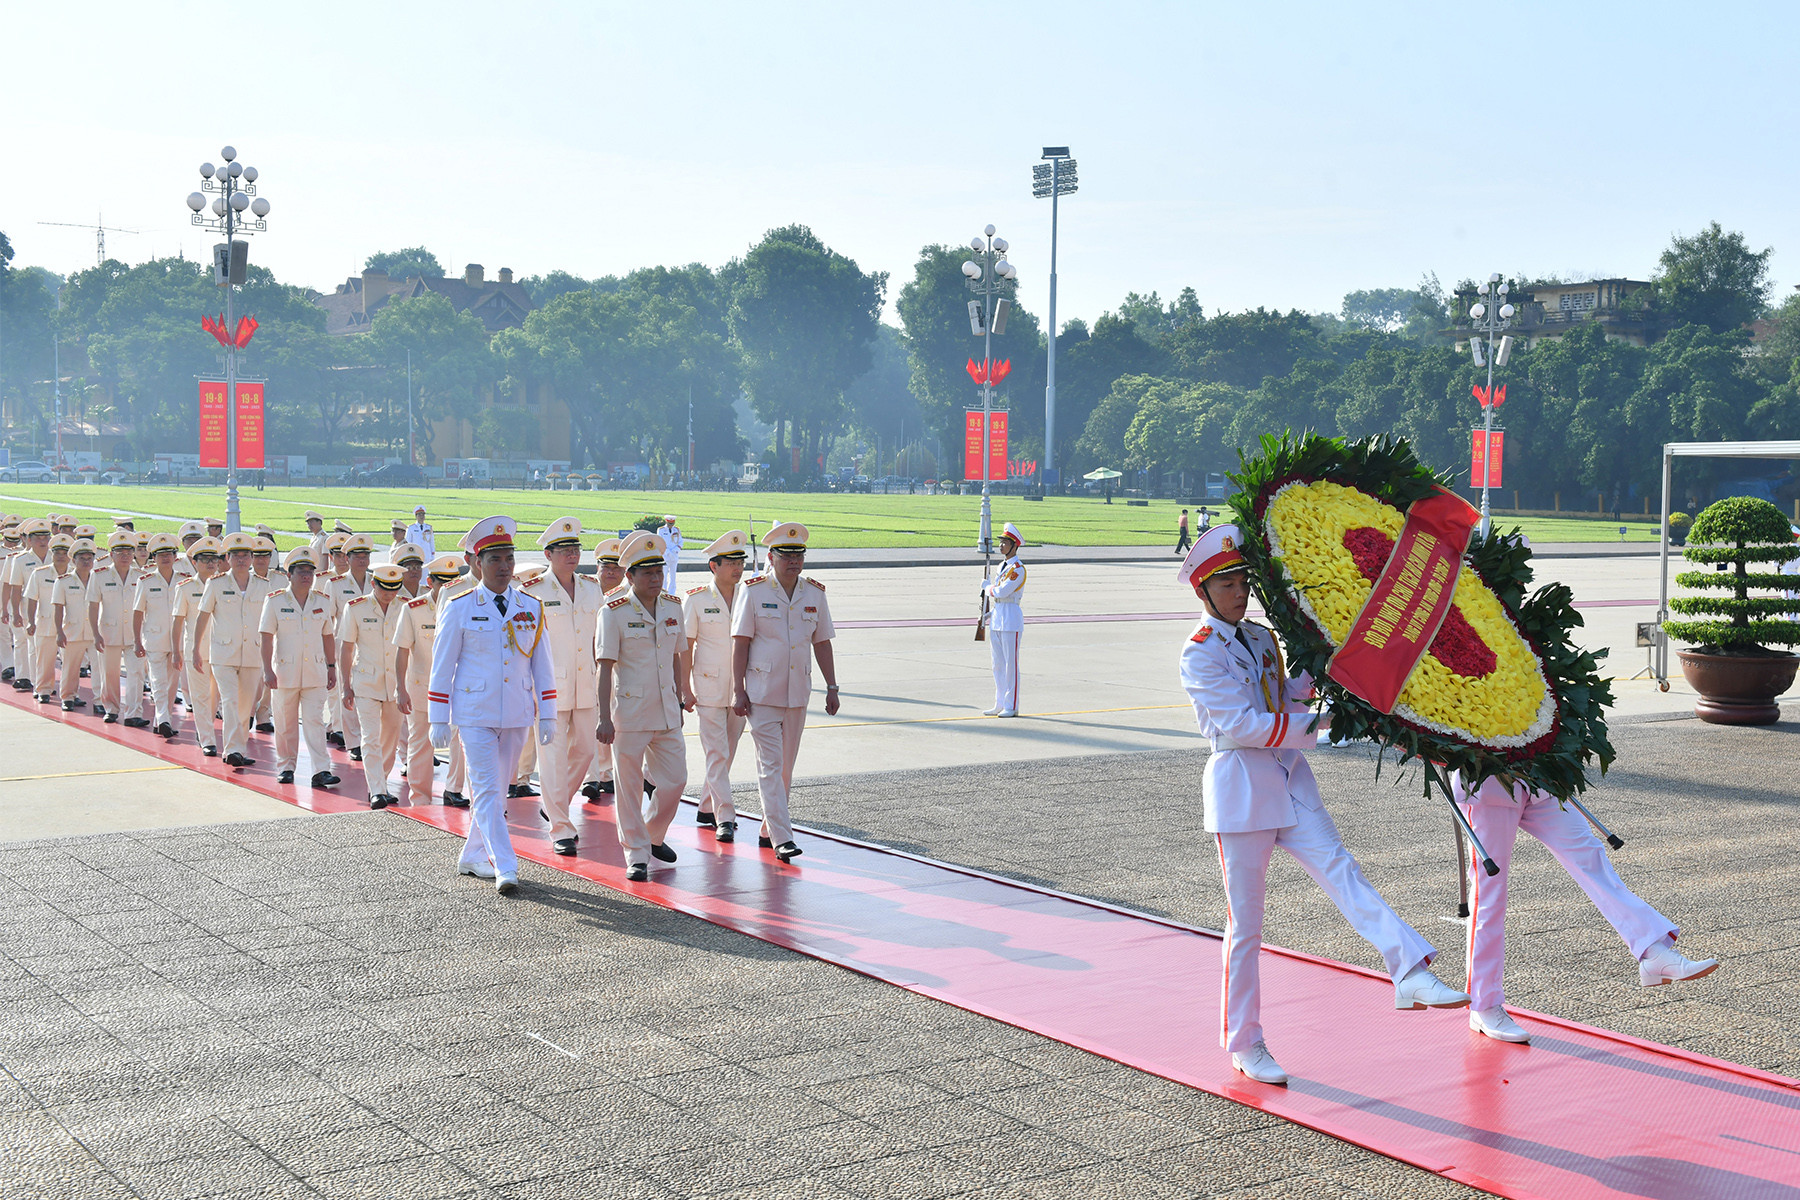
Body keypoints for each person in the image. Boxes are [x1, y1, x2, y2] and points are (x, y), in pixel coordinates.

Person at [1178, 523, 1469, 1086]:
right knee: (1247, 928)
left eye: (1243, 579)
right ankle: (1246, 1041)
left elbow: (1281, 698)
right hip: (1242, 788)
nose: (1239, 591)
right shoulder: (1198, 655)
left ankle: (1408, 968)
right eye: (1227, 583)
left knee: (1344, 872)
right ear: (1204, 592)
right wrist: (1329, 721)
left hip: (1289, 778)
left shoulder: (1262, 640)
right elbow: (1243, 726)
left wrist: (1322, 662)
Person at [1451, 773, 1718, 1043]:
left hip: (1540, 780)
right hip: (1487, 789)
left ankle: (1652, 951)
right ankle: (1483, 1004)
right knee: (1490, 893)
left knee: (1591, 858)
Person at [428, 515, 556, 894]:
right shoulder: (459, 606)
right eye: (495, 559)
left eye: (509, 559)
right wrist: (439, 717)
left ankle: (472, 855)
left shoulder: (530, 606)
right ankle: (506, 864)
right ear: (477, 564)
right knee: (485, 790)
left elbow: (543, 665)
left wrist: (547, 711)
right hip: (474, 714)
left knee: (498, 790)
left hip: (516, 712)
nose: (504, 567)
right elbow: (442, 666)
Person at [731, 522, 840, 863]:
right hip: (762, 693)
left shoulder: (814, 593)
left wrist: (832, 686)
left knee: (785, 769)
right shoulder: (754, 590)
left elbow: (821, 642)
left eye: (799, 555)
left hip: (797, 694)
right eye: (786, 555)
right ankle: (783, 837)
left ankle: (768, 828)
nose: (794, 561)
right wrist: (738, 689)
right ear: (771, 557)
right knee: (770, 765)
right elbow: (740, 643)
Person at [596, 531, 691, 881]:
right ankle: (636, 854)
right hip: (629, 714)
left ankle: (651, 835)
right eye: (647, 573)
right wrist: (604, 716)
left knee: (676, 780)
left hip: (667, 710)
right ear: (630, 576)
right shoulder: (613, 612)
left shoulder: (673, 606)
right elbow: (604, 668)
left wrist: (681, 697)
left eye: (659, 572)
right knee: (629, 788)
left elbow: (678, 657)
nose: (655, 578)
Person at [524, 517, 602, 855]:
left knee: (585, 751)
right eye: (565, 549)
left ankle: (555, 802)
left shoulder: (591, 587)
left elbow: (600, 636)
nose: (572, 554)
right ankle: (561, 829)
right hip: (549, 688)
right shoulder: (533, 592)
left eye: (576, 548)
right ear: (548, 553)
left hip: (587, 684)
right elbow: (525, 645)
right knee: (552, 759)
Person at [685, 530, 750, 840]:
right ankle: (725, 815)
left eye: (741, 561)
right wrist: (684, 687)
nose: (737, 568)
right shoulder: (697, 599)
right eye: (731, 562)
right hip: (708, 686)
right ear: (714, 566)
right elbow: (686, 646)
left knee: (729, 749)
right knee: (716, 752)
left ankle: (706, 806)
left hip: (741, 686)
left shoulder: (750, 596)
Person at [193, 532, 278, 767]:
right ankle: (232, 750)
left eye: (245, 556)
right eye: (236, 555)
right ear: (227, 559)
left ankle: (238, 748)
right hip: (223, 654)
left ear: (251, 559)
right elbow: (202, 617)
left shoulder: (264, 585)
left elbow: (271, 621)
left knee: (245, 705)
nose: (241, 560)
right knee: (229, 701)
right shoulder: (216, 583)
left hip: (252, 654)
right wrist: (194, 648)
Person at [259, 547, 340, 788]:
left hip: (315, 672)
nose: (306, 576)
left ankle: (321, 770)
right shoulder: (275, 601)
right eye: (301, 572)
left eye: (310, 572)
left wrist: (332, 666)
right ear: (289, 575)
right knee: (285, 723)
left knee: (315, 721)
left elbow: (328, 636)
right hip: (285, 672)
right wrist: (267, 669)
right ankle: (286, 766)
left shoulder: (322, 601)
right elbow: (265, 636)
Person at [394, 554, 464, 806]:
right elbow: (402, 650)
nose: (446, 587)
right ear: (430, 582)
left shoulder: (462, 606)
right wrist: (400, 688)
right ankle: (420, 796)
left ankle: (454, 789)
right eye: (441, 582)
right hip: (422, 688)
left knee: (459, 742)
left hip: (457, 687)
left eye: (451, 581)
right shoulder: (412, 609)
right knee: (421, 743)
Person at [340, 563, 408, 808]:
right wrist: (345, 686)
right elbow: (346, 648)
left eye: (394, 588)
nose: (389, 593)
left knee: (390, 738)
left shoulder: (405, 607)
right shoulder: (355, 608)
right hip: (366, 682)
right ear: (373, 585)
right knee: (370, 737)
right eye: (384, 588)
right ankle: (377, 789)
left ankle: (382, 782)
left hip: (396, 684)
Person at [583, 537, 627, 800]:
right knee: (589, 722)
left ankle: (608, 773)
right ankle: (591, 778)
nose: (611, 572)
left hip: (615, 667)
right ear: (597, 568)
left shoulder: (627, 597)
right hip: (585, 666)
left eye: (616, 568)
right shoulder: (585, 590)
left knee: (613, 719)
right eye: (606, 567)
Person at [170, 539, 223, 754]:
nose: (210, 564)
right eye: (205, 560)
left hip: (222, 650)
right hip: (197, 650)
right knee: (200, 696)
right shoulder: (186, 587)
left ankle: (206, 730)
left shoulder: (225, 585)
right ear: (195, 562)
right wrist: (176, 651)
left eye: (213, 560)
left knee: (216, 697)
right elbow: (177, 620)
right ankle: (207, 739)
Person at [326, 533, 375, 758]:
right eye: (358, 555)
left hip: (371, 644)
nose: (362, 560)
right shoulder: (335, 584)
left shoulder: (376, 582)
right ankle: (352, 742)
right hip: (345, 644)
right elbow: (327, 619)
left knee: (370, 692)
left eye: (365, 555)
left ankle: (369, 738)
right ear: (347, 557)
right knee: (347, 691)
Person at [132, 533, 185, 738]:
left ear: (175, 556)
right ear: (154, 558)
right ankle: (163, 719)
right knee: (158, 681)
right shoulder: (145, 581)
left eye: (169, 554)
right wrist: (137, 641)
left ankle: (162, 720)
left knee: (172, 685)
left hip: (177, 642)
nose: (165, 558)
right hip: (154, 639)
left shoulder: (183, 581)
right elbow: (138, 613)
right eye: (161, 555)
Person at [91, 532, 143, 724]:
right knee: (110, 673)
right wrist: (95, 634)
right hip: (108, 632)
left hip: (134, 634)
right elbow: (93, 605)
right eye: (120, 552)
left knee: (136, 674)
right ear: (111, 554)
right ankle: (111, 709)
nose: (125, 556)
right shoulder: (100, 576)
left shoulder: (141, 576)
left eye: (129, 552)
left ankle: (133, 713)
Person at [982, 522, 1026, 718]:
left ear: (1014, 546)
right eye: (1001, 542)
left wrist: (987, 588)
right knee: (997, 664)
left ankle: (1011, 704)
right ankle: (999, 703)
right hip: (999, 617)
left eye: (1005, 543)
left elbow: (1002, 591)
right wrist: (988, 615)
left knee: (1011, 666)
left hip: (1011, 619)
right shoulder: (1002, 566)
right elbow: (998, 598)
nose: (1001, 546)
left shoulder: (1018, 569)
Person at [52, 539, 100, 711]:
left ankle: (100, 700)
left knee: (99, 668)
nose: (86, 562)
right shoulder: (63, 581)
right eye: (82, 558)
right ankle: (68, 697)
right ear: (73, 560)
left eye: (89, 558)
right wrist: (59, 632)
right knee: (71, 668)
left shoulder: (99, 579)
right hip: (73, 630)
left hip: (96, 632)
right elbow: (58, 608)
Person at [5, 519, 52, 694]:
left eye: (45, 537)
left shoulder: (56, 557)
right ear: (29, 540)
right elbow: (15, 588)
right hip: (28, 609)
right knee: (30, 645)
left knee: (48, 649)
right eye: (38, 538)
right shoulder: (20, 560)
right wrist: (15, 612)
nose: (42, 541)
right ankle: (33, 680)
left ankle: (43, 681)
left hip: (51, 609)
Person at [24, 534, 72, 704]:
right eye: (57, 552)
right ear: (52, 553)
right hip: (45, 622)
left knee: (70, 662)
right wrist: (30, 621)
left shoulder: (76, 575)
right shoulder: (39, 573)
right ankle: (43, 690)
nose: (61, 556)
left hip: (69, 625)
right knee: (44, 659)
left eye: (64, 552)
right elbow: (32, 599)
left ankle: (70, 694)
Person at [658, 514, 683, 593]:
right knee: (664, 575)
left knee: (673, 576)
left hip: (674, 555)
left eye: (672, 524)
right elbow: (660, 542)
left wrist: (675, 550)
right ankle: (664, 592)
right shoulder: (661, 530)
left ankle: (672, 592)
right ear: (666, 522)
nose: (670, 526)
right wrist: (667, 552)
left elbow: (680, 542)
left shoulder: (676, 530)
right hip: (665, 556)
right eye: (669, 524)